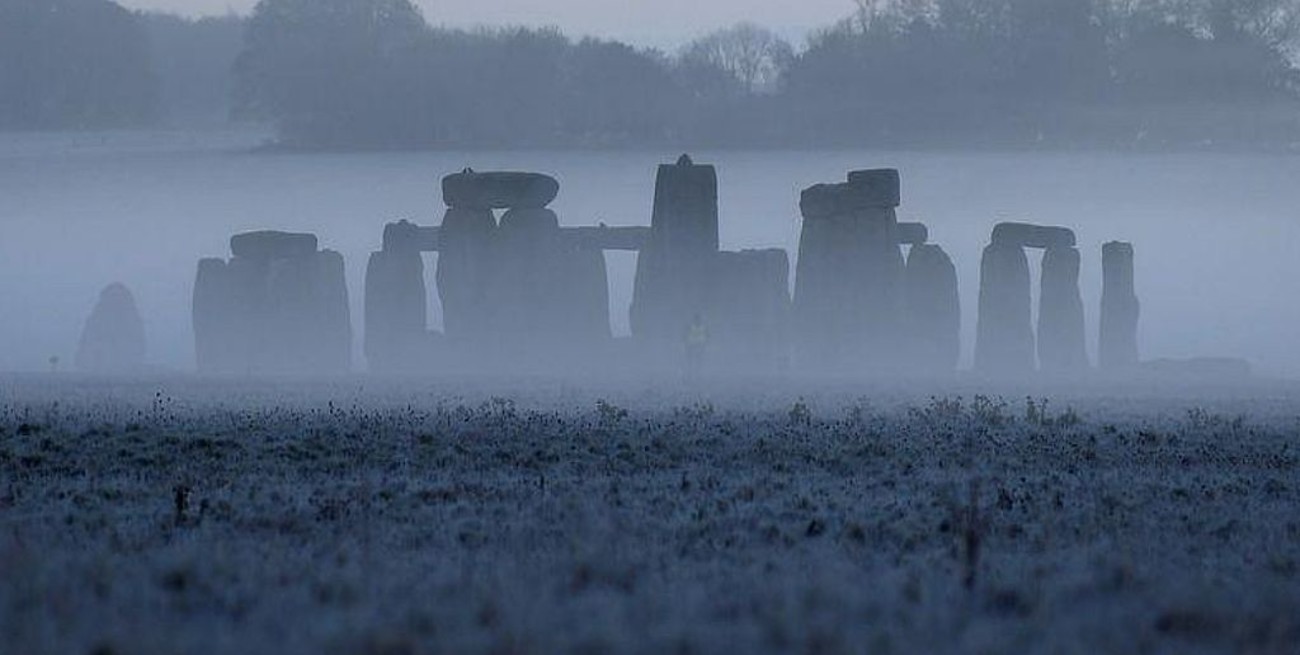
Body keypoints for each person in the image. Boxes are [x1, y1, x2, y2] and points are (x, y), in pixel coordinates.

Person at [684, 312, 709, 380]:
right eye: (696, 319)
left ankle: (698, 372)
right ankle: (690, 372)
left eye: (698, 319)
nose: (697, 321)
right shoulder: (690, 326)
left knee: (699, 360)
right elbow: (685, 335)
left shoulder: (703, 327)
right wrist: (686, 344)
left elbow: (707, 336)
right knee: (690, 360)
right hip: (691, 345)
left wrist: (706, 344)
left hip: (700, 346)